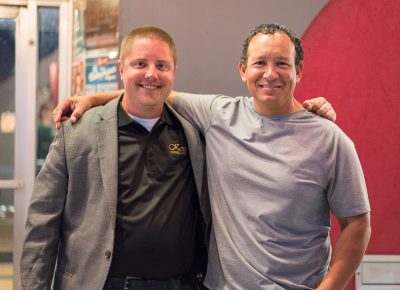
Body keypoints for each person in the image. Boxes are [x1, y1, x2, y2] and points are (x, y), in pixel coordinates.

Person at [51, 24, 357, 290]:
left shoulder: (329, 139)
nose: (270, 73)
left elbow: (357, 224)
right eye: (259, 62)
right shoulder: (219, 115)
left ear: (298, 71)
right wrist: (91, 99)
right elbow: (154, 90)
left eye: (282, 63)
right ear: (242, 70)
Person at [21, 26, 211, 290]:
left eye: (162, 65)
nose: (151, 74)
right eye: (140, 63)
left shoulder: (193, 133)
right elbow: (42, 221)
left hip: (181, 284)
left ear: (174, 70)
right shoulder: (77, 131)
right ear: (121, 69)